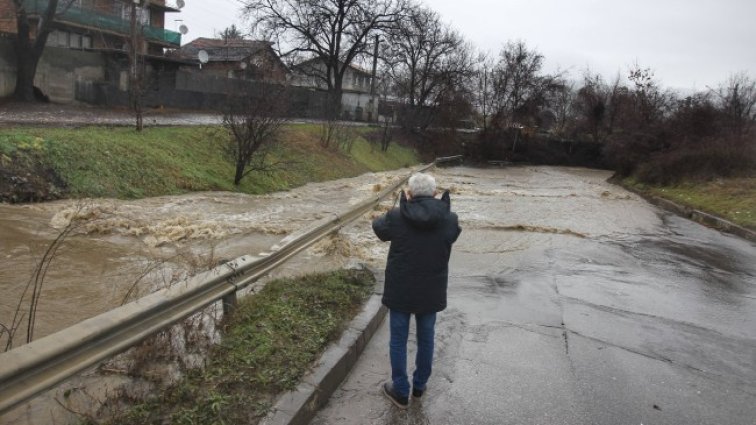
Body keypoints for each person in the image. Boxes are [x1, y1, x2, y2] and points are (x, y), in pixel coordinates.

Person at [372, 172, 462, 409]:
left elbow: (378, 230)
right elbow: (452, 236)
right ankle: (419, 387)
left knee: (398, 340)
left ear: (410, 193)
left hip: (401, 289)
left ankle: (400, 390)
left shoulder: (396, 215)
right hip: (430, 290)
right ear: (434, 193)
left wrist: (397, 205)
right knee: (426, 339)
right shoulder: (449, 219)